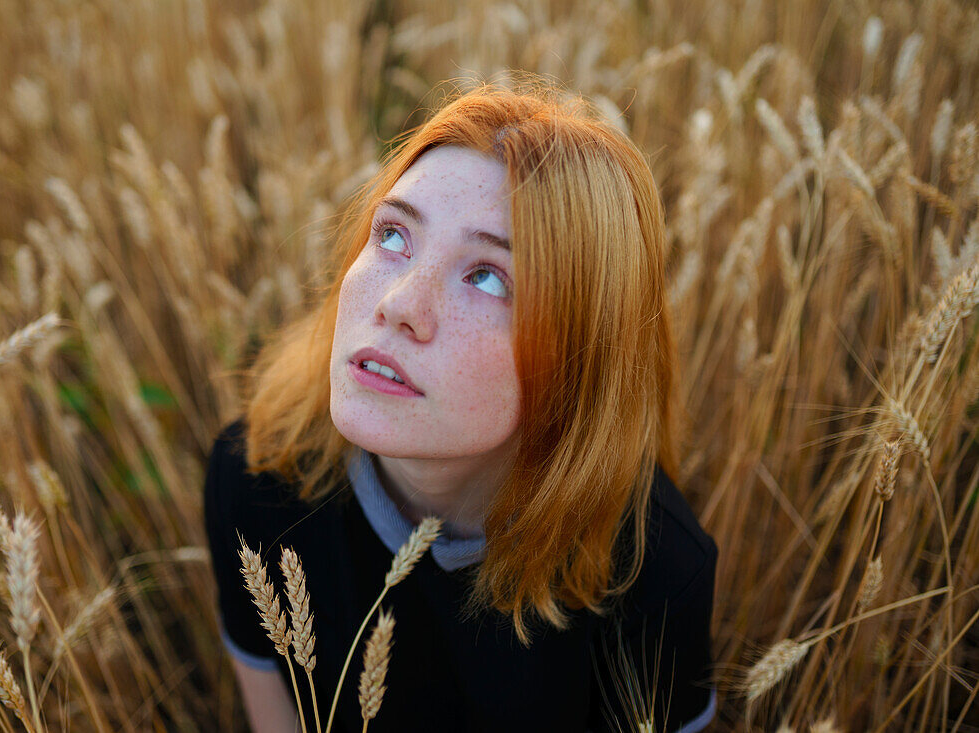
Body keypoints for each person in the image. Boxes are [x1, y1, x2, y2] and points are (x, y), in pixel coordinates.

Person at [204, 80, 718, 732]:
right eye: (393, 235)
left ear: (578, 357)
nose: (399, 304)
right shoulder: (256, 479)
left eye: (487, 276)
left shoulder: (650, 572)